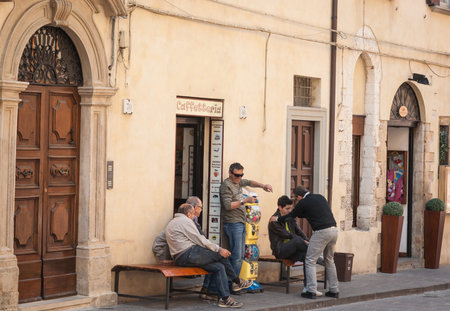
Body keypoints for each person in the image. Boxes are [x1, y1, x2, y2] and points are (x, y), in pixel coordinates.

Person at [165, 203, 253, 308]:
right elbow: (200, 239)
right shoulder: (185, 221)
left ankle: (224, 299)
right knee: (221, 255)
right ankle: (237, 281)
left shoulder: (172, 222)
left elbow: (160, 240)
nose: (194, 216)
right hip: (188, 254)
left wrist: (162, 257)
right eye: (193, 214)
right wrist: (219, 249)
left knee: (218, 267)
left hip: (183, 257)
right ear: (188, 214)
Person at [274, 186, 339, 299]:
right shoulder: (320, 197)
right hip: (334, 230)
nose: (297, 201)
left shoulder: (303, 202)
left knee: (310, 260)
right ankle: (334, 290)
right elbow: (304, 214)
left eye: (296, 199)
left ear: (299, 196)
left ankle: (311, 290)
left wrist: (277, 219)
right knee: (329, 260)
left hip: (321, 232)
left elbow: (292, 215)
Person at [220, 162, 272, 284]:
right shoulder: (226, 185)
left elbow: (249, 182)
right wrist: (245, 201)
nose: (239, 178)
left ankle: (232, 283)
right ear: (230, 173)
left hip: (241, 223)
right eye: (236, 175)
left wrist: (263, 185)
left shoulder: (238, 182)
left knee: (240, 255)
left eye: (241, 175)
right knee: (237, 257)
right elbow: (227, 205)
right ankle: (231, 284)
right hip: (232, 223)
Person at [268, 195, 309, 263]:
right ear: (280, 207)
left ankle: (318, 259)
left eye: (291, 208)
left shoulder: (290, 218)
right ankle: (315, 252)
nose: (290, 211)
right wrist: (303, 242)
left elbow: (299, 232)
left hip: (292, 249)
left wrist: (307, 240)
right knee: (297, 240)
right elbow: (287, 235)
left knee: (306, 257)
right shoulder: (273, 220)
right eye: (287, 209)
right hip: (280, 251)